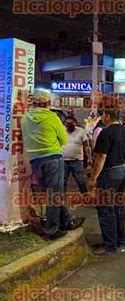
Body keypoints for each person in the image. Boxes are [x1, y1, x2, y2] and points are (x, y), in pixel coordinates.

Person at [22, 91, 84, 240]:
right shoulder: (52, 117)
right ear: (47, 103)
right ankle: (51, 230)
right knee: (54, 195)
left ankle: (67, 220)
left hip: (35, 160)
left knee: (51, 194)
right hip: (52, 158)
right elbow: (63, 139)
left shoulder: (25, 118)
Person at [89, 108, 125, 255]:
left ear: (108, 116)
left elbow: (101, 157)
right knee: (118, 207)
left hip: (109, 173)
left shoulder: (105, 133)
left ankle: (110, 245)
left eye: (103, 116)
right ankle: (120, 239)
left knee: (106, 209)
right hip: (122, 171)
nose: (102, 118)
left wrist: (93, 179)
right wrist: (124, 170)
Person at [63, 116, 91, 194]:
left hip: (77, 161)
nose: (69, 125)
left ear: (75, 123)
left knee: (80, 180)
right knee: (63, 181)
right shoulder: (62, 130)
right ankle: (62, 198)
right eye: (67, 123)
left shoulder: (81, 131)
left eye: (71, 123)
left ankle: (85, 195)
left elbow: (87, 146)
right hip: (64, 161)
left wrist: (89, 159)